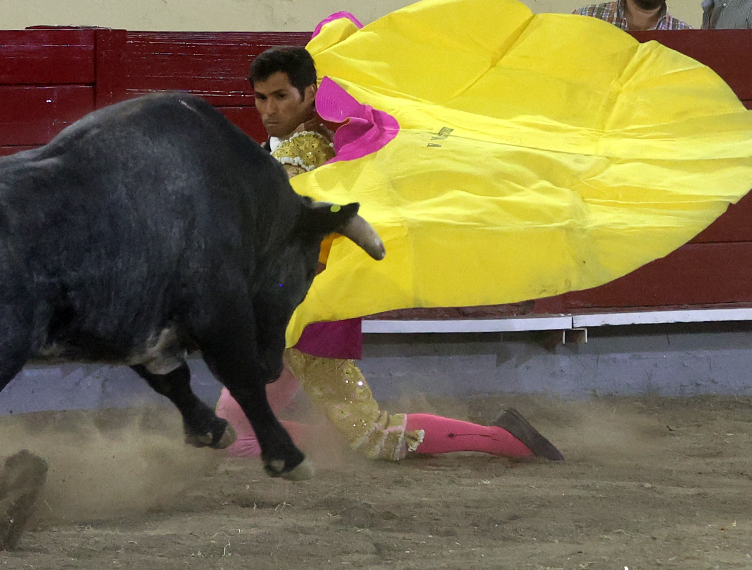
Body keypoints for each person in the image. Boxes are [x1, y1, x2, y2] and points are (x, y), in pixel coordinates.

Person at [216, 45, 565, 463]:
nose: (269, 109)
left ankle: (504, 439)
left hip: (309, 310)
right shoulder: (299, 143)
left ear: (309, 94)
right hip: (281, 305)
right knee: (235, 430)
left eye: (280, 96)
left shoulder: (304, 150)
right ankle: (337, 443)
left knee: (372, 436)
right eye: (261, 98)